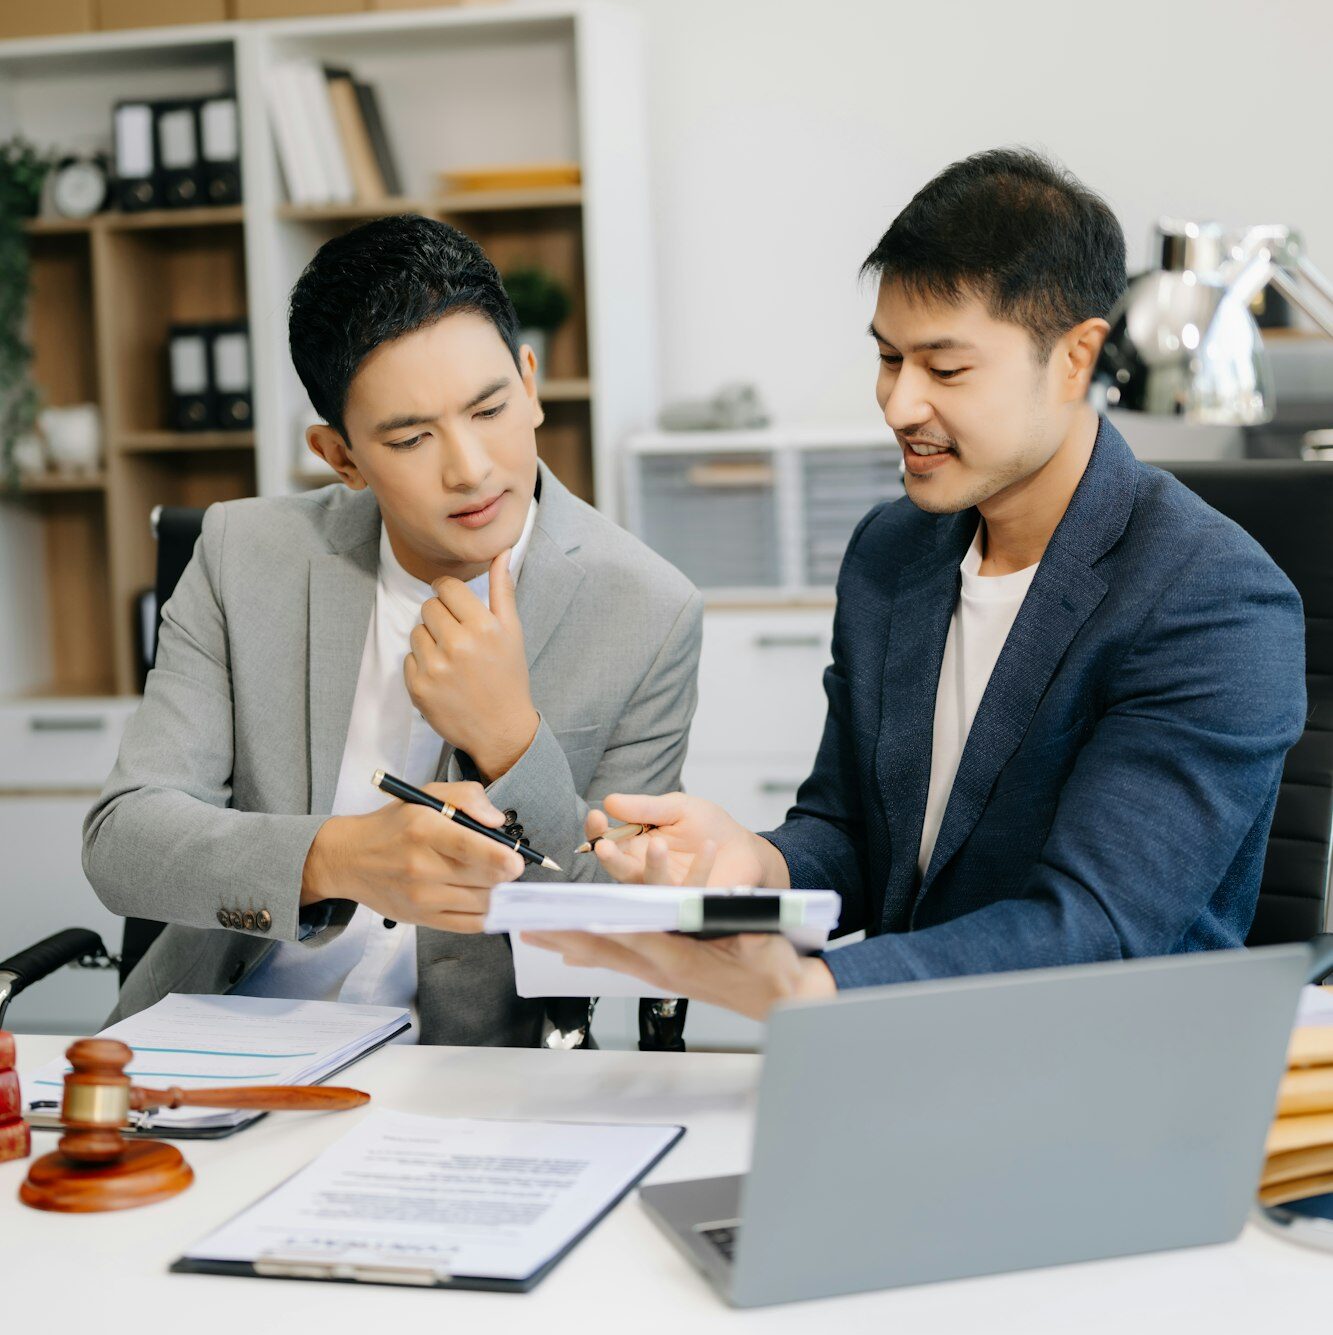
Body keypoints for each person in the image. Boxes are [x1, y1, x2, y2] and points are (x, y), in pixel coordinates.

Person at [526, 149, 1308, 1019]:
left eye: (944, 369)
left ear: (1077, 357)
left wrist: (816, 986)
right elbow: (856, 836)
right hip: (897, 1058)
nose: (898, 404)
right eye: (889, 358)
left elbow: (1100, 927)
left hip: (1112, 1076)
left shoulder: (1210, 598)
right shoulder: (892, 551)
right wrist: (751, 861)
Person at [84, 215, 702, 1046]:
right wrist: (336, 858)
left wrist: (511, 741)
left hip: (470, 1074)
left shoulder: (648, 611)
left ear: (529, 380)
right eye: (411, 437)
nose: (471, 467)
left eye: (489, 409)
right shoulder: (242, 556)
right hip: (221, 1039)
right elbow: (123, 838)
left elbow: (620, 920)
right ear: (341, 457)